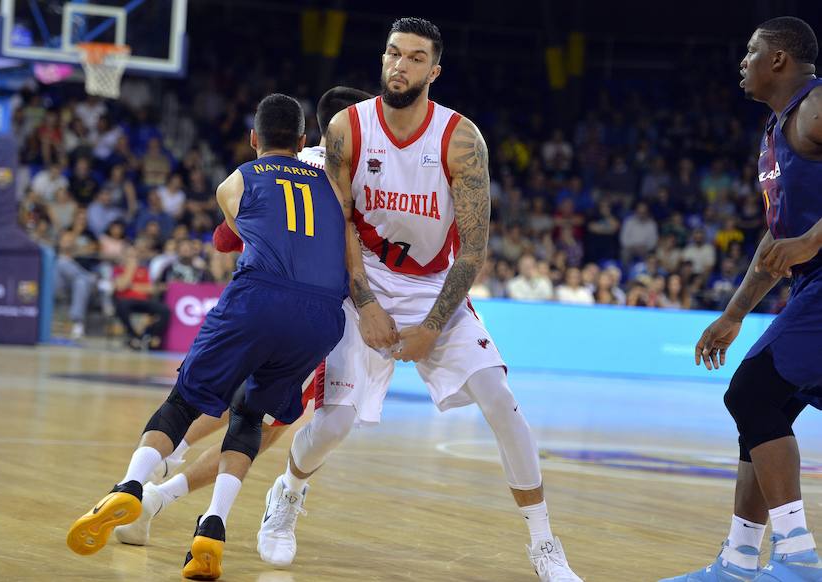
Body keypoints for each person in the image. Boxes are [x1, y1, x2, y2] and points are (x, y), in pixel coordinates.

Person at [256, 18, 581, 581]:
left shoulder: (460, 138)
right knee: (332, 426)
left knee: (500, 400)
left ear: (434, 70)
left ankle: (545, 544)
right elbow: (341, 224)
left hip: (435, 287)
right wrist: (365, 304)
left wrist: (433, 323)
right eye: (392, 54)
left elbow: (474, 247)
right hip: (365, 282)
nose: (398, 65)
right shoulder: (347, 128)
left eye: (413, 58)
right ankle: (286, 493)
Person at [66, 93, 352, 582]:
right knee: (251, 416)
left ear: (253, 139)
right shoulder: (338, 184)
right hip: (325, 318)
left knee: (184, 401)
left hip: (260, 297)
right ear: (304, 140)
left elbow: (237, 236)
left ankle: (132, 486)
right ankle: (212, 528)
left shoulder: (237, 179)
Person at [661, 16, 822, 582]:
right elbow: (774, 241)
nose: (742, 62)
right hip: (810, 288)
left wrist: (812, 239)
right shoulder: (775, 133)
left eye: (751, 51)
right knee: (762, 409)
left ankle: (799, 557)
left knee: (752, 393)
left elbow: (798, 241)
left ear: (778, 59)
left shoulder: (817, 105)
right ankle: (736, 562)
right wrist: (734, 314)